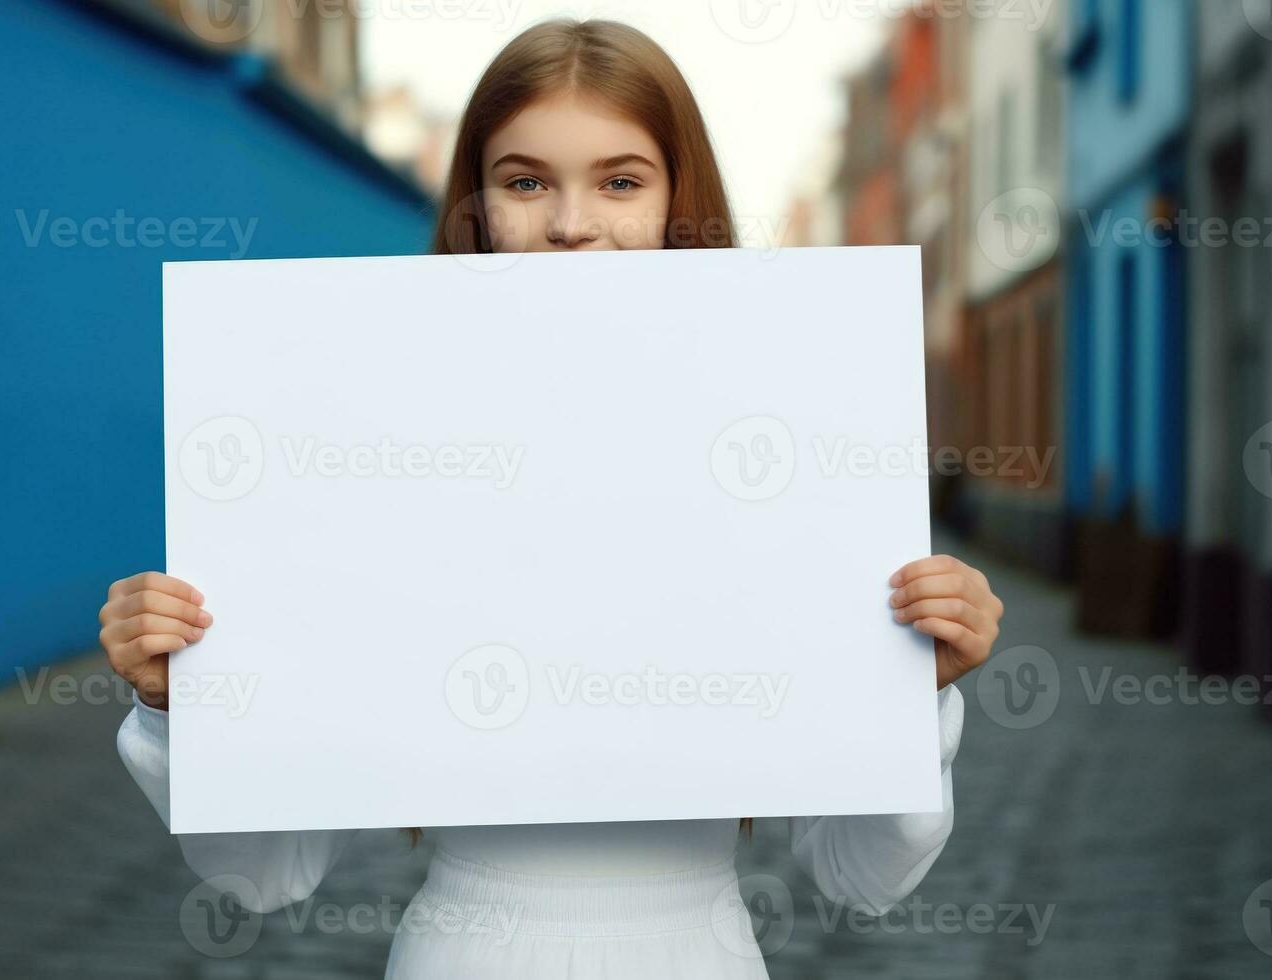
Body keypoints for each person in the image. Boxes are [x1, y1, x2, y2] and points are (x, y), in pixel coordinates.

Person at [103, 19, 1005, 978]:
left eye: (621, 180)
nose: (572, 221)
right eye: (526, 181)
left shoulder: (783, 456)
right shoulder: (375, 457)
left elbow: (861, 873)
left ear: (677, 201)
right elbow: (263, 874)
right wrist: (179, 706)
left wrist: (918, 693)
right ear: (477, 208)